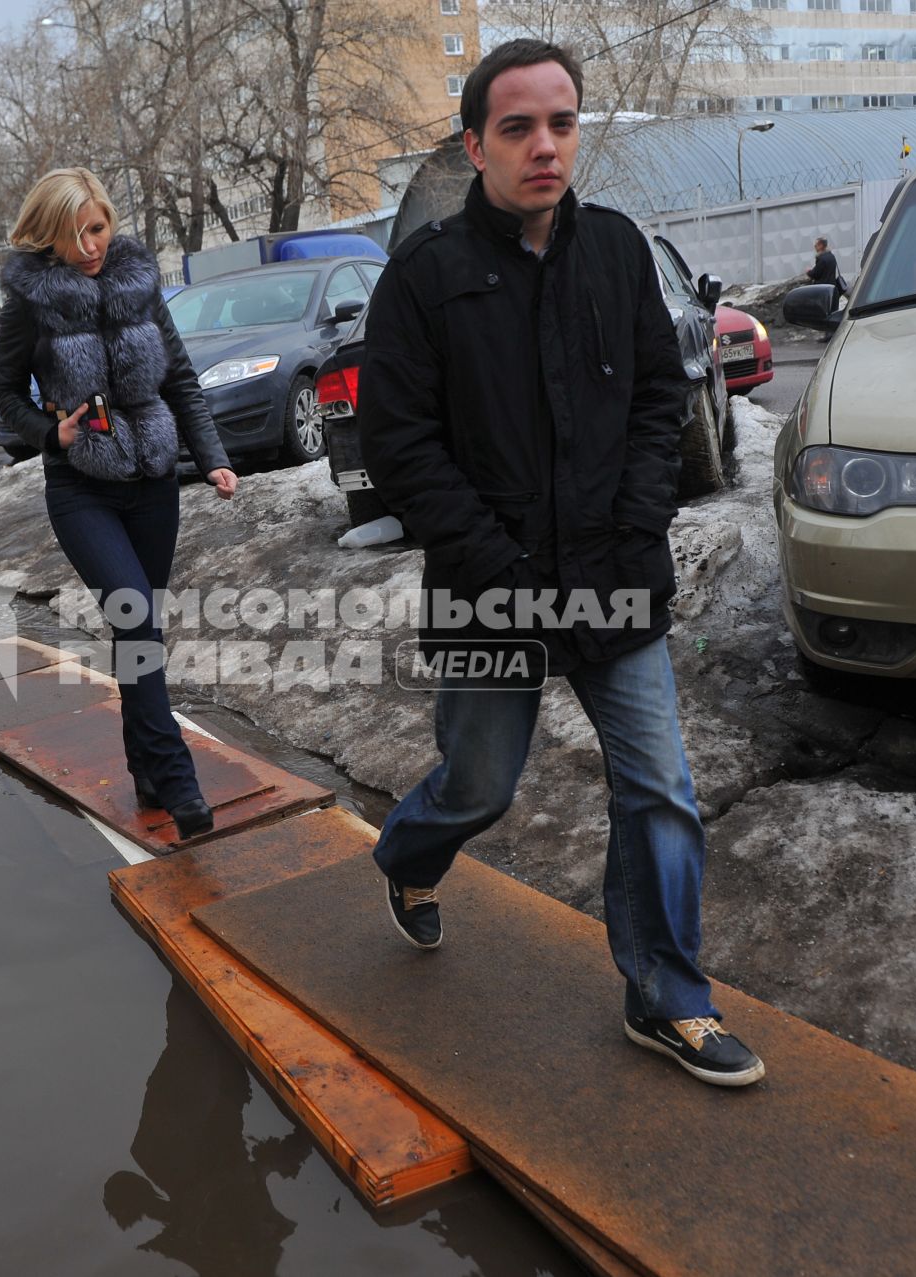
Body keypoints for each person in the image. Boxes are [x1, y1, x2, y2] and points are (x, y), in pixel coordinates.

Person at [358, 38, 764, 1087]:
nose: (546, 145)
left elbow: (655, 402)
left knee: (660, 788)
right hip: (491, 593)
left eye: (563, 122)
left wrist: (637, 524)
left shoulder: (619, 251)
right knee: (481, 785)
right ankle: (407, 855)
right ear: (475, 144)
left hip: (614, 576)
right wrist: (495, 565)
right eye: (519, 127)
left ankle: (667, 993)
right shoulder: (425, 278)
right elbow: (402, 444)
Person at [0, 168, 238, 840]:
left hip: (153, 478)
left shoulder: (136, 283)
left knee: (141, 630)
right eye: (75, 235)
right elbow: (4, 395)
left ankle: (149, 771)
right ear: (48, 236)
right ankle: (179, 779)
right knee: (133, 613)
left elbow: (180, 377)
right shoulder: (30, 305)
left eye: (97, 227)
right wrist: (52, 431)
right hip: (81, 487)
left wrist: (211, 456)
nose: (91, 244)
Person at [808, 237, 847, 304]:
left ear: (821, 245)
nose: (815, 247)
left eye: (816, 245)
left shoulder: (821, 258)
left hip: (822, 289)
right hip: (832, 287)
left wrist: (808, 271)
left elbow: (815, 274)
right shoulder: (831, 256)